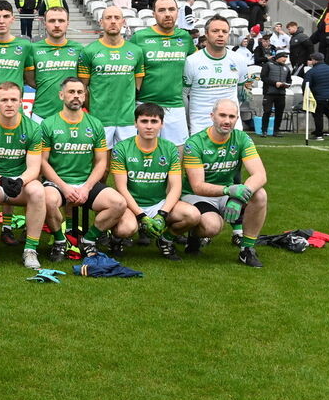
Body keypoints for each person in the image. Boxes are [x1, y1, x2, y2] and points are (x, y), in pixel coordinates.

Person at [39, 77, 133, 261]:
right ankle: (60, 241)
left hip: (85, 183)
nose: (76, 96)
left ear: (85, 96)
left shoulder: (95, 124)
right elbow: (43, 162)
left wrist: (86, 188)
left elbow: (101, 163)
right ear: (61, 95)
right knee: (47, 200)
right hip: (57, 183)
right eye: (71, 92)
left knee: (119, 203)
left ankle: (89, 240)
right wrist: (65, 188)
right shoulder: (48, 124)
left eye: (80, 92)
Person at [181, 99, 268, 268]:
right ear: (212, 116)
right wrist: (230, 190)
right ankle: (194, 235)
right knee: (212, 228)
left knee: (260, 194)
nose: (227, 121)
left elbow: (260, 174)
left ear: (237, 119)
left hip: (228, 192)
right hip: (197, 195)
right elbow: (198, 185)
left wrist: (239, 196)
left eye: (232, 116)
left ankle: (247, 250)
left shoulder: (242, 138)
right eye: (222, 115)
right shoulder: (195, 142)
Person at [110, 104, 200, 261]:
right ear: (135, 123)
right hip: (130, 205)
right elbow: (121, 188)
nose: (149, 126)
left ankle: (165, 240)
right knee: (127, 228)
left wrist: (162, 214)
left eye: (154, 121)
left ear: (162, 124)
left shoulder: (170, 148)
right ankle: (117, 239)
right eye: (144, 121)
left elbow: (176, 187)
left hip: (158, 203)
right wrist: (141, 215)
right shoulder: (122, 148)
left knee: (192, 215)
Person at [0, 81, 47, 268]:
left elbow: (34, 168)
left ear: (21, 102)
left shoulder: (33, 128)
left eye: (13, 100)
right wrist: (1, 180)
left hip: (20, 182)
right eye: (4, 100)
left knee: (38, 191)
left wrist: (20, 180)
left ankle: (30, 250)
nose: (9, 104)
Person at [131, 0, 196, 145]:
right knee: (144, 156)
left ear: (177, 12)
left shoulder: (185, 38)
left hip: (175, 106)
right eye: (161, 10)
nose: (167, 14)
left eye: (171, 9)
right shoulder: (139, 38)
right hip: (144, 105)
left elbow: (194, 65)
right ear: (154, 14)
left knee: (178, 157)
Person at [78, 6, 145, 147]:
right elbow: (83, 88)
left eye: (117, 18)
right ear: (101, 22)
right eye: (108, 18)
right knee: (100, 163)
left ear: (123, 22)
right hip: (99, 119)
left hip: (127, 119)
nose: (113, 21)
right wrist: (96, 109)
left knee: (126, 162)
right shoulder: (88, 51)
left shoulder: (136, 51)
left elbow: (137, 85)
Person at [184, 15, 249, 136]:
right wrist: (188, 121)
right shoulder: (191, 61)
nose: (220, 34)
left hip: (232, 126)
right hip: (200, 126)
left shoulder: (239, 60)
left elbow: (240, 92)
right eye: (215, 31)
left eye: (224, 31)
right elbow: (183, 95)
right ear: (206, 34)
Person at [29, 5, 82, 123]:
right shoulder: (33, 49)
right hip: (41, 115)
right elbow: (30, 80)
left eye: (61, 21)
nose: (57, 25)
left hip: (72, 115)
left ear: (67, 23)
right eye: (52, 21)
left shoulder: (79, 49)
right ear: (44, 23)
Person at [303, 52, 329, 140]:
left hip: (317, 97)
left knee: (318, 115)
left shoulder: (311, 72)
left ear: (314, 60)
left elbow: (306, 86)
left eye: (311, 60)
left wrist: (306, 96)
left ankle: (319, 134)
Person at [258, 50, 292, 137]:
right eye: (283, 57)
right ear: (278, 57)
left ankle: (276, 131)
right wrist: (275, 83)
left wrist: (287, 85)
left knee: (279, 112)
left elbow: (289, 80)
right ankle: (264, 131)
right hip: (269, 93)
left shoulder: (287, 68)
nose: (285, 59)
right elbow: (263, 77)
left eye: (286, 58)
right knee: (267, 111)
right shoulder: (268, 65)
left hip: (281, 93)